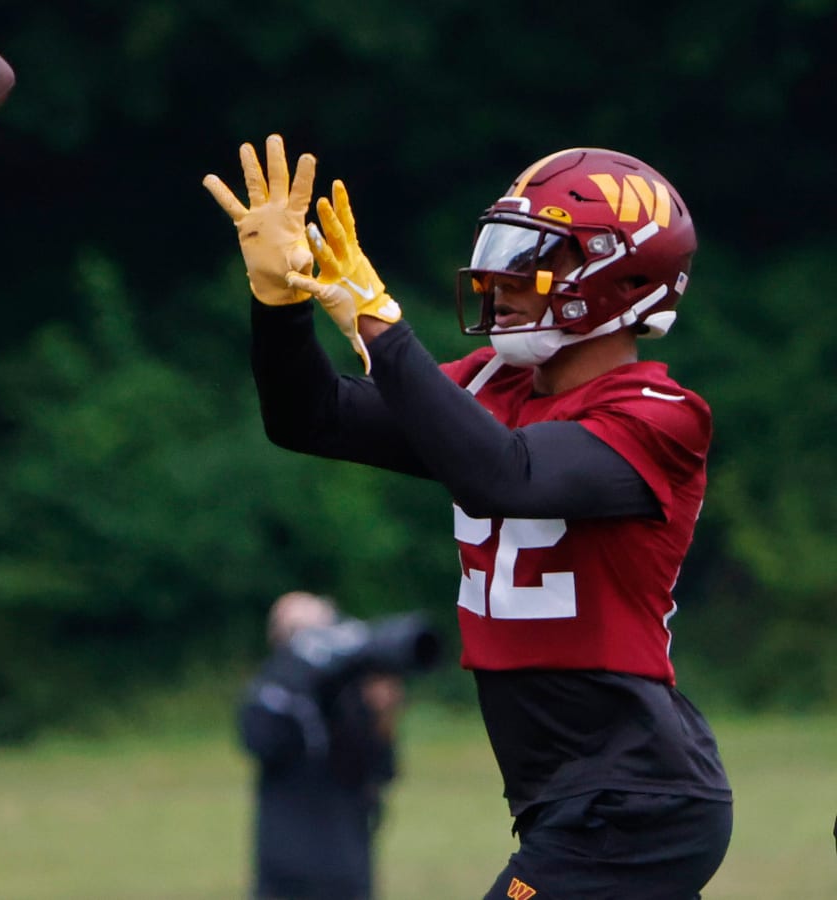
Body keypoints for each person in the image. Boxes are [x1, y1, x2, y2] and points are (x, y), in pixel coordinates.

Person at [206, 136, 733, 898]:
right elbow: (309, 418)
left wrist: (383, 327)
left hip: (636, 801)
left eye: (534, 258)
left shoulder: (662, 414)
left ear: (617, 281)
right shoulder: (494, 381)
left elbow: (503, 475)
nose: (502, 278)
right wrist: (279, 306)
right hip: (572, 798)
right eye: (505, 250)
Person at [238, 591, 403, 900]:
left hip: (345, 858)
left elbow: (383, 770)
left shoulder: (352, 698)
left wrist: (382, 714)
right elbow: (261, 743)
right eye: (300, 634)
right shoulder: (269, 694)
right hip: (285, 862)